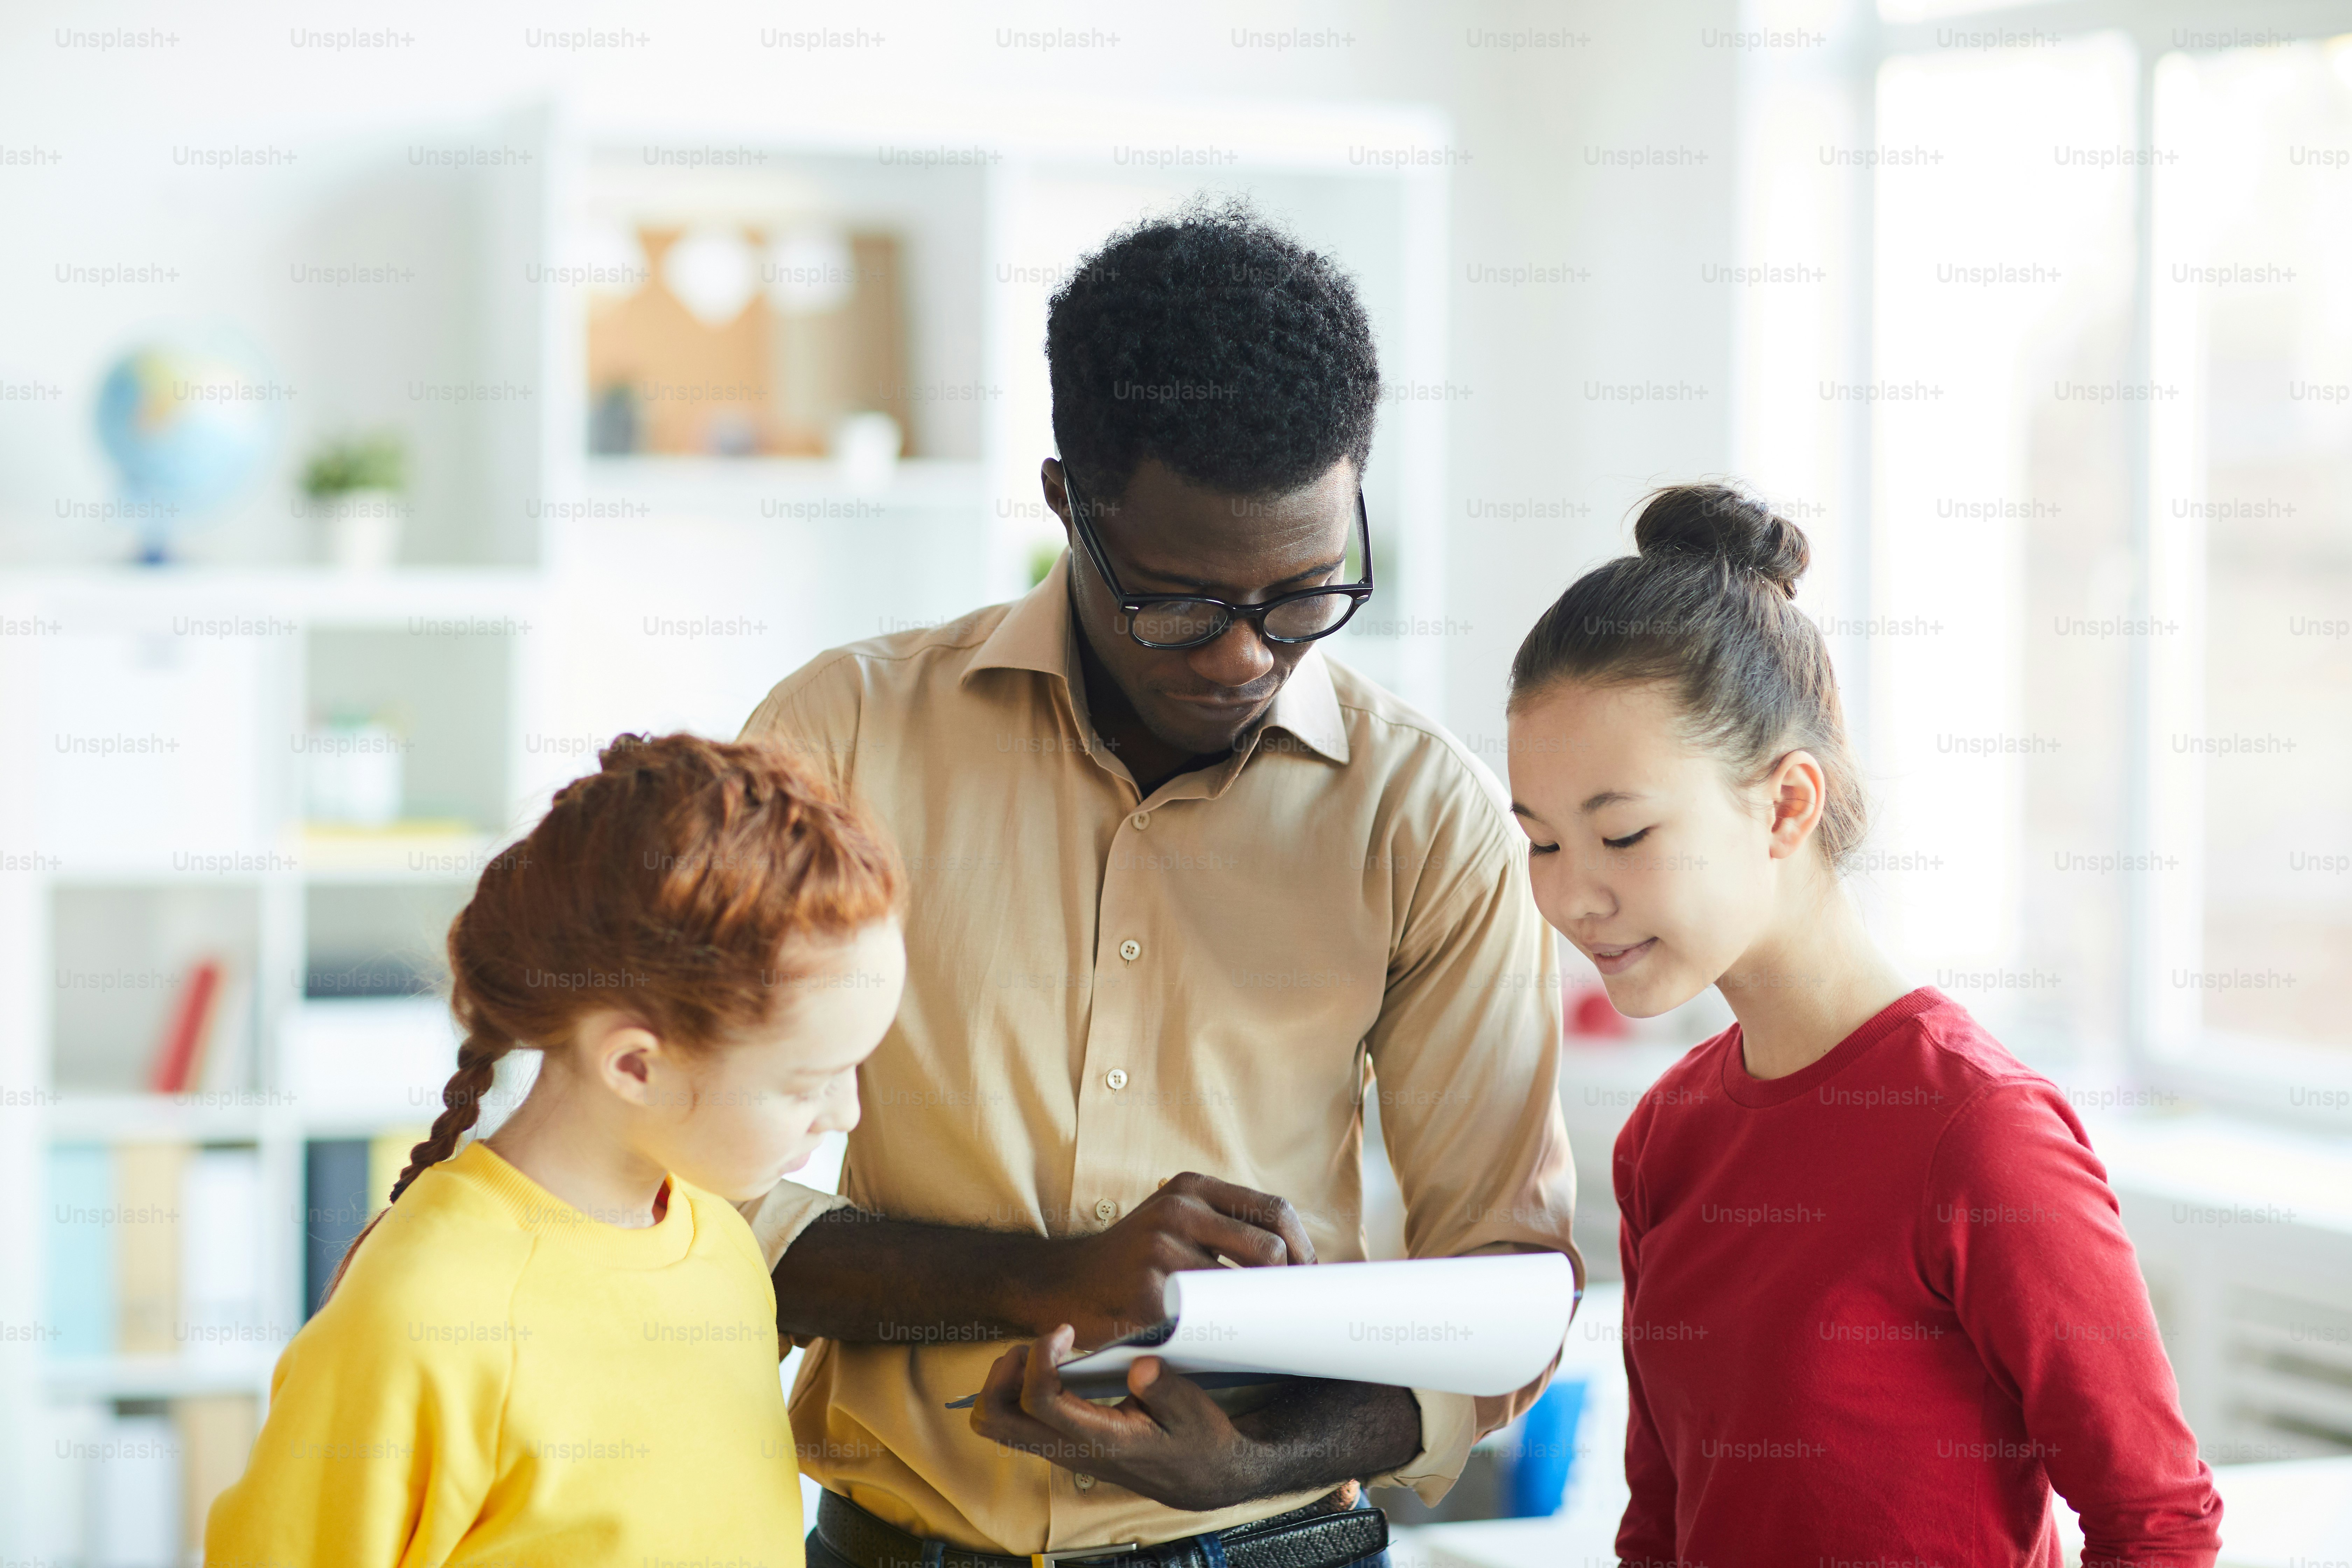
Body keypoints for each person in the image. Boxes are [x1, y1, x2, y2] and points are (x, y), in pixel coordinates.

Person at [736, 201, 1581, 1568]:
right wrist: (1047, 1280)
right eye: (1181, 603)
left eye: (1306, 594)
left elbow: (1508, 1294)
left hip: (1280, 1543)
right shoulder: (841, 739)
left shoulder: (1429, 815)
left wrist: (1263, 1462)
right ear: (1067, 502)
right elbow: (690, 1203)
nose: (1247, 658)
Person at [1502, 485, 2224, 1565]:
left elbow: (2157, 1523)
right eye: (1544, 843)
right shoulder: (1665, 1138)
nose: (1570, 897)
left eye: (1625, 835)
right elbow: (1659, 1524)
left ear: (1787, 804)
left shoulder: (1981, 1135)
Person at [203, 734, 906, 1568]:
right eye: (809, 1081)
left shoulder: (722, 1243)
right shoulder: (422, 1315)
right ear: (635, 1065)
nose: (848, 1112)